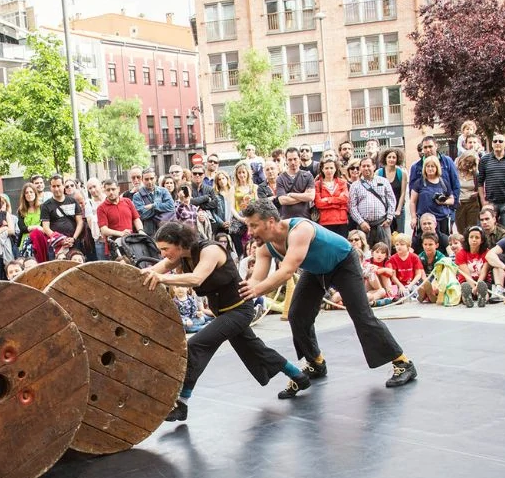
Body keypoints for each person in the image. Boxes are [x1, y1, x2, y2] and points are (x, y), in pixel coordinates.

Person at [238, 199, 417, 392]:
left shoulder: (300, 230)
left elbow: (287, 271)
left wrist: (254, 291)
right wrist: (242, 293)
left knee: (362, 316)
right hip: (316, 269)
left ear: (271, 221)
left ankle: (403, 363)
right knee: (297, 315)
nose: (250, 232)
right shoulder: (265, 248)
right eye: (248, 226)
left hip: (343, 263)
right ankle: (316, 362)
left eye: (254, 226)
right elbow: (256, 280)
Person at [141, 222, 311, 419]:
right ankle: (299, 376)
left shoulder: (210, 250)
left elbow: (196, 279)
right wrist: (132, 277)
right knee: (255, 349)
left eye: (165, 249)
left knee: (196, 345)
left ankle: (182, 403)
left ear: (179, 243)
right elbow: (154, 270)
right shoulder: (181, 256)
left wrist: (161, 279)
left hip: (240, 310)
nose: (163, 254)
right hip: (225, 313)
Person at [348, 156, 397, 250]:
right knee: (364, 254)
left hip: (382, 224)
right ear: (360, 168)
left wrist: (389, 217)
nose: (366, 168)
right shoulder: (355, 186)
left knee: (385, 252)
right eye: (363, 166)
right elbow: (352, 207)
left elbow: (391, 200)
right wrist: (361, 222)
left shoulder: (383, 181)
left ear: (374, 166)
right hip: (364, 226)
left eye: (368, 165)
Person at [410, 155, 455, 238]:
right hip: (424, 221)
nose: (430, 169)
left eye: (432, 166)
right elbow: (412, 201)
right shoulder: (419, 183)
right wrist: (413, 217)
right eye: (428, 166)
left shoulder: (444, 183)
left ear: (437, 167)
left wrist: (443, 202)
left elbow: (452, 200)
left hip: (441, 219)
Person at [96, 179, 143, 259]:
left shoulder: (127, 201)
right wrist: (121, 233)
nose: (111, 192)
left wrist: (141, 230)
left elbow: (136, 219)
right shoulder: (101, 208)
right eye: (108, 190)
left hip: (131, 243)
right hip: (115, 248)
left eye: (113, 189)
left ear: (118, 189)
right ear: (104, 191)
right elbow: (104, 230)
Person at [41, 175, 86, 253]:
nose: (56, 189)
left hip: (74, 242)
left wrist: (73, 238)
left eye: (58, 186)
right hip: (56, 245)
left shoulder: (73, 201)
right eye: (53, 186)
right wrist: (60, 239)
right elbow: (46, 228)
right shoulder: (45, 205)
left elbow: (80, 222)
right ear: (50, 187)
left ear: (63, 186)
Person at [313, 157, 349, 237]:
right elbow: (319, 203)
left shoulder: (342, 183)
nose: (329, 170)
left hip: (341, 221)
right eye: (326, 168)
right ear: (322, 169)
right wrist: (338, 203)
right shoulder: (317, 184)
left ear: (336, 169)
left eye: (331, 168)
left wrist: (328, 200)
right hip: (325, 221)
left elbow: (345, 199)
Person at [275, 147, 315, 220]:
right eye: (290, 160)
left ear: (299, 159)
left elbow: (311, 197)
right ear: (286, 160)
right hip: (287, 220)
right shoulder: (280, 178)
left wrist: (291, 194)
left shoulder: (308, 176)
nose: (293, 162)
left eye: (295, 159)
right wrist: (303, 196)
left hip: (305, 219)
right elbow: (282, 200)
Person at [455, 226, 491, 307]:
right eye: (471, 237)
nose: (474, 239)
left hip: (482, 281)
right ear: (467, 239)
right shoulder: (461, 253)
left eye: (477, 237)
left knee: (484, 288)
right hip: (466, 281)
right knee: (465, 289)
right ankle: (467, 300)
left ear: (482, 240)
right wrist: (473, 287)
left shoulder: (487, 253)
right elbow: (466, 274)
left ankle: (483, 299)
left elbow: (484, 272)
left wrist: (478, 286)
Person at [132, 169, 174, 236]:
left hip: (165, 230)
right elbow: (141, 215)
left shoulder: (163, 191)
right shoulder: (137, 196)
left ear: (156, 178)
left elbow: (171, 206)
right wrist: (162, 208)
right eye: (146, 179)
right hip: (148, 232)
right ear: (142, 180)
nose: (149, 181)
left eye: (151, 178)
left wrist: (153, 206)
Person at [377, 148, 408, 234]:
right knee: (386, 235)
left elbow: (403, 193)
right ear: (385, 158)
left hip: (398, 209)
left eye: (394, 157)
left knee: (400, 235)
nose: (391, 159)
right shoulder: (378, 173)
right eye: (389, 157)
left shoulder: (401, 173)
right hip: (384, 211)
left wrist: (398, 210)